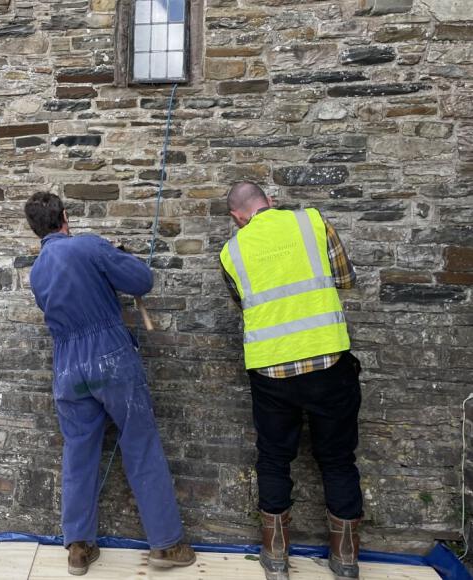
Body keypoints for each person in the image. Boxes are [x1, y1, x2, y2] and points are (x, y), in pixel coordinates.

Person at [24, 192, 196, 576]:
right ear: (65, 216)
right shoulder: (88, 246)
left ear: (35, 228)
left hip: (69, 366)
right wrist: (117, 256)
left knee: (79, 452)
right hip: (109, 357)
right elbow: (141, 281)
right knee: (140, 443)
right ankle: (167, 545)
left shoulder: (36, 272)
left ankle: (79, 548)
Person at [219, 182, 363, 580]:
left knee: (273, 458)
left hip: (270, 371)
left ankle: (276, 556)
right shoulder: (312, 222)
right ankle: (346, 559)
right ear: (270, 201)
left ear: (237, 216)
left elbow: (244, 303)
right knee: (337, 459)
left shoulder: (231, 251)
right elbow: (346, 279)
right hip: (328, 360)